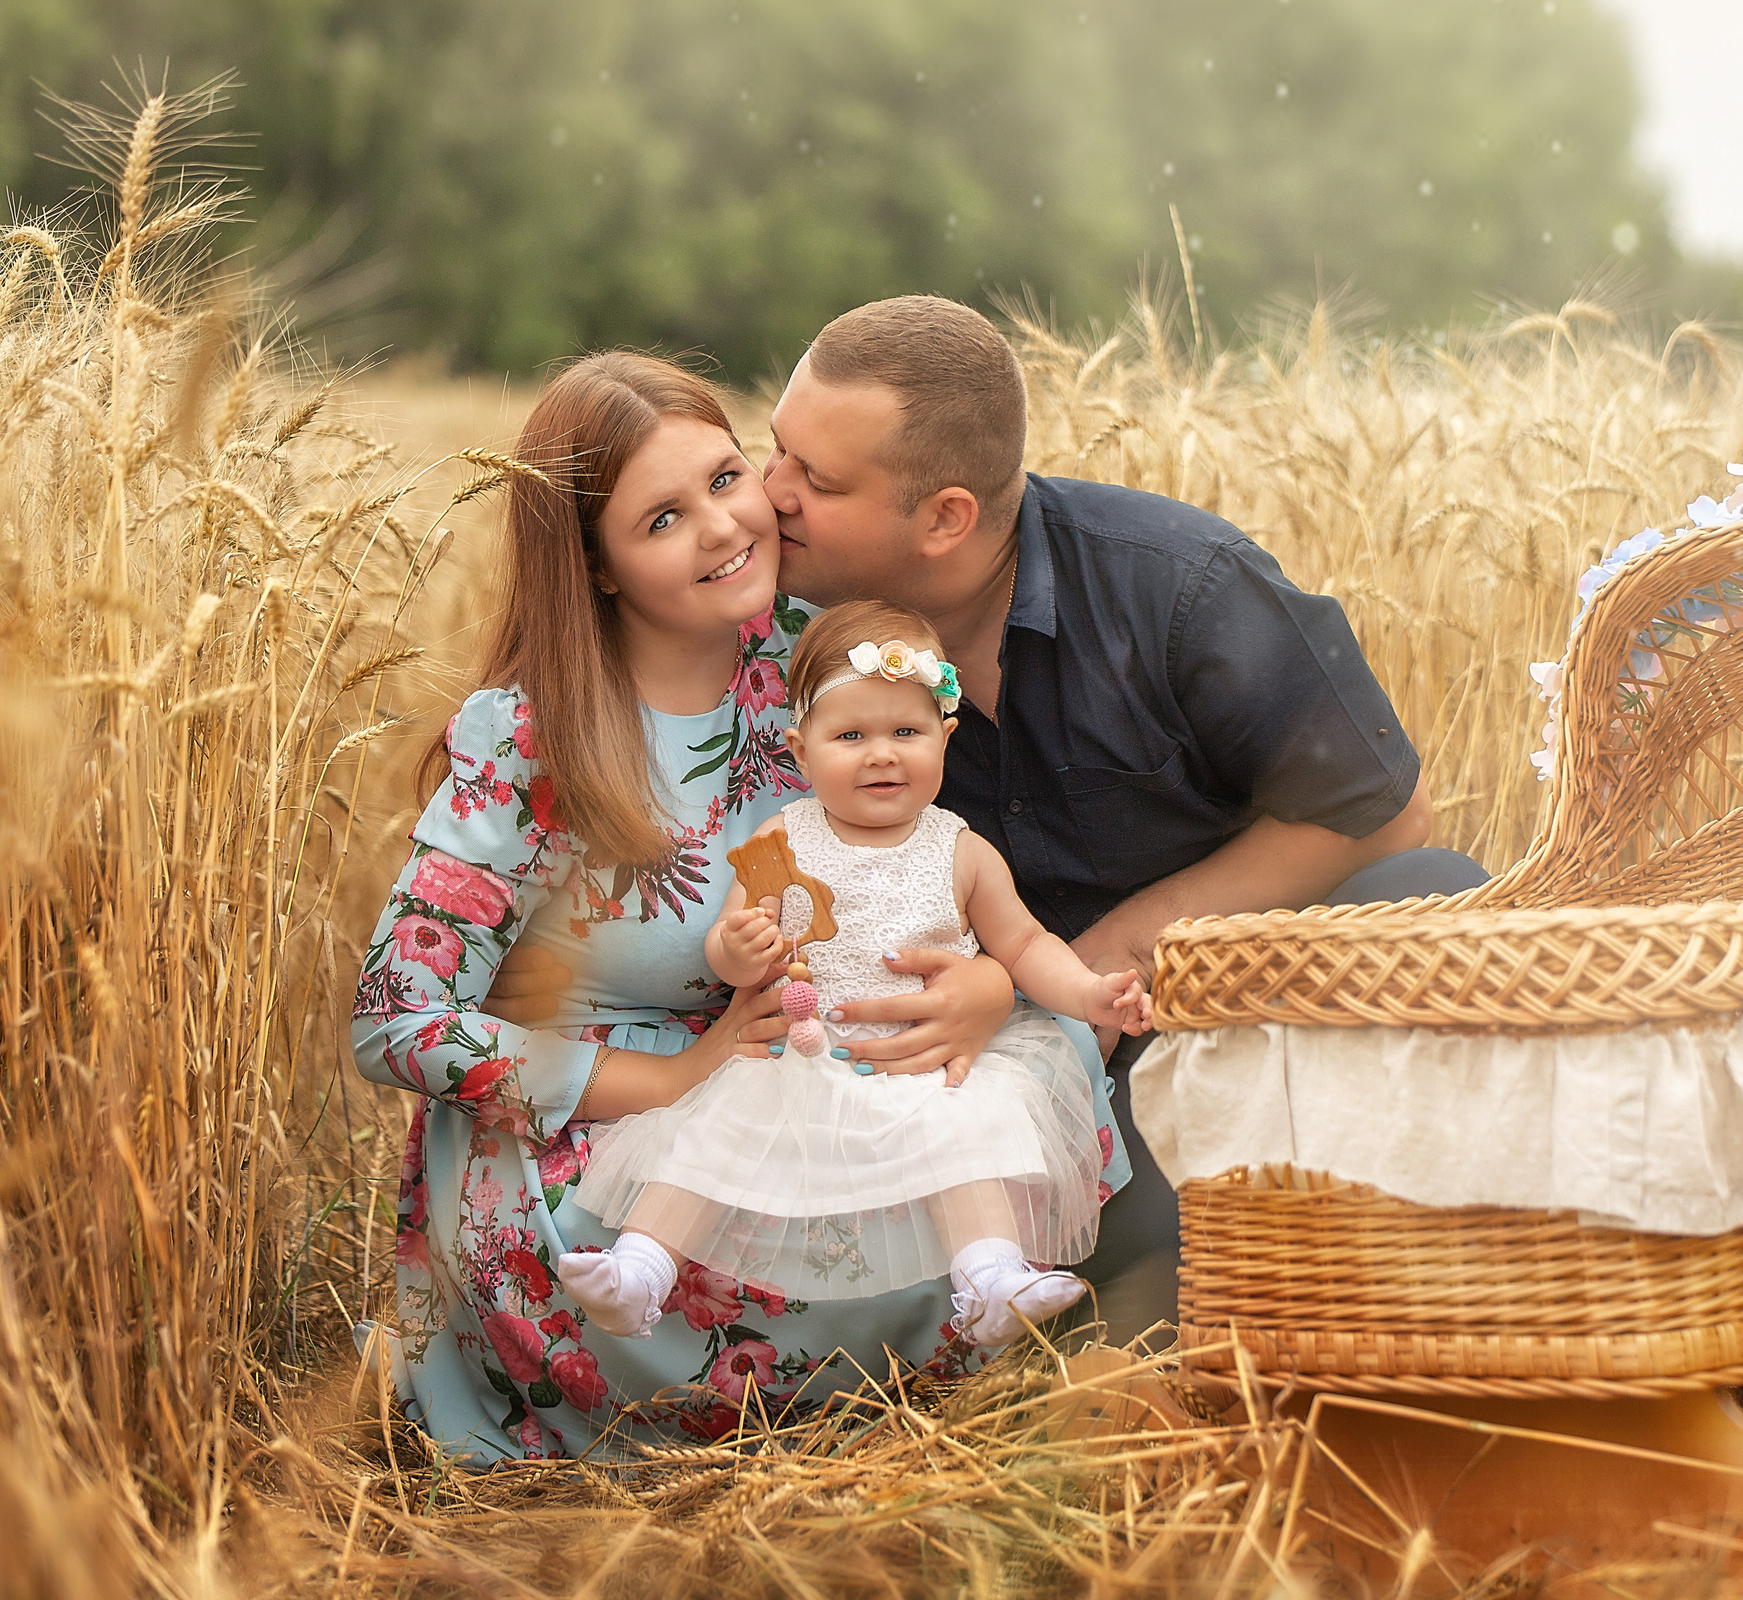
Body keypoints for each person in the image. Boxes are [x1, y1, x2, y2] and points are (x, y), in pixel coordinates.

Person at [488, 296, 1484, 1336]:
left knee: (1441, 899)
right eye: (774, 451)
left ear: (945, 519)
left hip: (1233, 1001)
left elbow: (1384, 809)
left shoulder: (1177, 590)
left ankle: (1366, 1247)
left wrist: (1060, 976)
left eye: (816, 481)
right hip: (999, 1079)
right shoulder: (782, 649)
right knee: (1112, 1272)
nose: (766, 498)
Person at [351, 352, 1131, 1464]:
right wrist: (672, 1077)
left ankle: (948, 1320)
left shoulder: (823, 667)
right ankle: (711, 1375)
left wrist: (986, 984)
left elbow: (955, 869)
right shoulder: (531, 736)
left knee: (1040, 1046)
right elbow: (395, 1017)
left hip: (817, 1067)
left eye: (726, 478)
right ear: (600, 566)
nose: (723, 528)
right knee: (671, 1236)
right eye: (663, 518)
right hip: (617, 1118)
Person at [557, 600, 1149, 1347]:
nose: (881, 753)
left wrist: (1091, 990)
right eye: (851, 735)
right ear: (801, 753)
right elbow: (728, 947)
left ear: (945, 736)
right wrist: (741, 948)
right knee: (710, 1132)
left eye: (907, 731)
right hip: (799, 1054)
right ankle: (640, 1269)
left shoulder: (961, 851)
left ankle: (991, 1280)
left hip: (921, 1064)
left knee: (970, 1126)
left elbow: (1027, 947)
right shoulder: (784, 838)